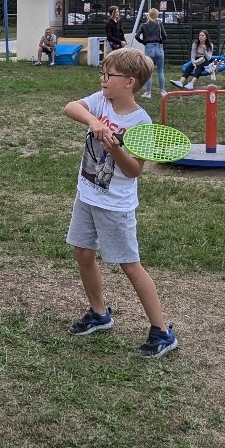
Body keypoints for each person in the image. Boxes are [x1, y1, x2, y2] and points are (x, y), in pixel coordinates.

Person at [62, 47, 178, 357]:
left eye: (108, 75)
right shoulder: (101, 101)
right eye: (102, 73)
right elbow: (71, 107)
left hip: (116, 206)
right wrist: (96, 123)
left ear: (129, 81)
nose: (102, 79)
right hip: (87, 194)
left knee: (130, 265)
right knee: (83, 252)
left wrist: (114, 149)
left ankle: (162, 331)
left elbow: (134, 170)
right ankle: (99, 313)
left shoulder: (142, 122)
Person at [133, 7, 167, 98]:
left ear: (149, 15)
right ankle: (162, 91)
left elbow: (136, 36)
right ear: (157, 15)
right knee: (160, 70)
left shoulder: (143, 25)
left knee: (148, 71)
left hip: (149, 47)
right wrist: (160, 42)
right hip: (159, 47)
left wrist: (144, 42)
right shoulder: (159, 23)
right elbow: (164, 35)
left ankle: (148, 92)